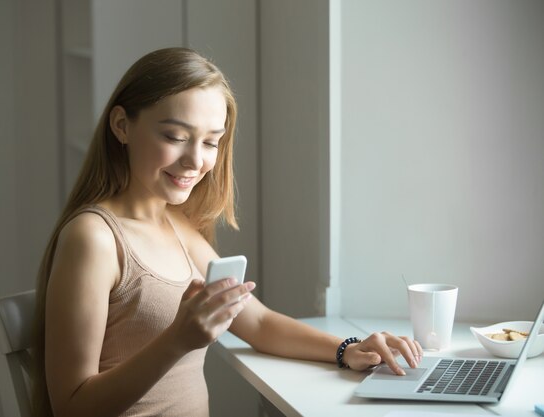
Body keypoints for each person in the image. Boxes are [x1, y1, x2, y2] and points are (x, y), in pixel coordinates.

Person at [31, 47, 423, 417]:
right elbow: (72, 407)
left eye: (211, 142)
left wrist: (348, 349)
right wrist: (177, 340)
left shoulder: (178, 227)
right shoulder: (94, 238)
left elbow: (259, 323)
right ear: (122, 126)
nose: (195, 160)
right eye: (175, 137)